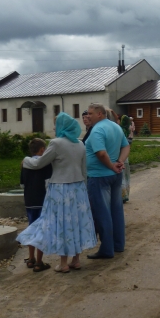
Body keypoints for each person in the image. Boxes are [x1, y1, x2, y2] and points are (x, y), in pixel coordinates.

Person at [17, 113, 97, 273]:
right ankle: (76, 260)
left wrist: (26, 160)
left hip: (61, 189)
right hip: (78, 188)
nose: (54, 128)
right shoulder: (81, 144)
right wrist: (83, 188)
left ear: (62, 126)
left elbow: (39, 162)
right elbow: (84, 169)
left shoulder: (56, 143)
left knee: (62, 223)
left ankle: (63, 263)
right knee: (77, 223)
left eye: (56, 125)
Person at [85, 103, 130, 259]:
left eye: (90, 113)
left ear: (100, 114)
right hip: (115, 175)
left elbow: (101, 154)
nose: (87, 116)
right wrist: (120, 161)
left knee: (102, 213)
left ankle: (106, 249)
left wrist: (112, 165)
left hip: (99, 176)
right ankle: (118, 244)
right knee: (116, 210)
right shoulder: (115, 127)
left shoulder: (97, 130)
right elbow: (126, 146)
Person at [20, 138, 52, 272]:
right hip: (42, 200)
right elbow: (48, 183)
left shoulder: (24, 163)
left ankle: (31, 258)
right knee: (42, 231)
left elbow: (22, 184)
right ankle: (39, 262)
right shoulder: (46, 164)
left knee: (31, 228)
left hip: (29, 201)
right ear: (42, 150)